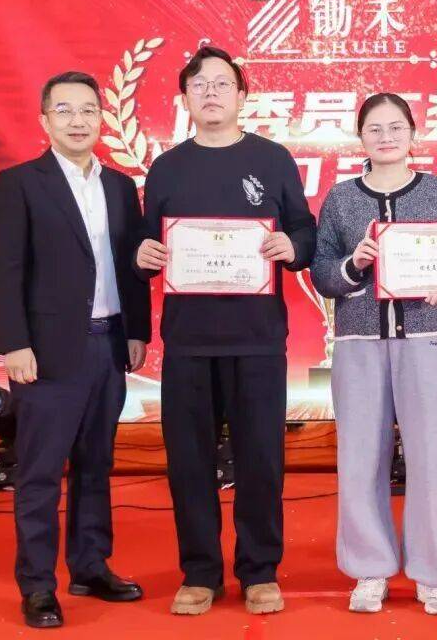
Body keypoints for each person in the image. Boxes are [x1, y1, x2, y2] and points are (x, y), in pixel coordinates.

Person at [135, 46, 316, 616]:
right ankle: (200, 573)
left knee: (261, 459)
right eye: (199, 85)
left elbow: (305, 231)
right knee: (189, 462)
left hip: (257, 338)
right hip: (188, 340)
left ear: (241, 96)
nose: (210, 93)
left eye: (221, 84)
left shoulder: (272, 159)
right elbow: (145, 244)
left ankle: (259, 570)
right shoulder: (166, 168)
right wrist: (142, 254)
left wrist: (292, 247)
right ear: (185, 98)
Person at [0, 71, 150, 629]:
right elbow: (5, 270)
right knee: (39, 472)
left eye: (88, 110)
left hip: (109, 344)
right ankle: (37, 586)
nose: (78, 121)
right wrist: (14, 343)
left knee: (96, 464)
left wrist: (136, 330)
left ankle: (90, 565)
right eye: (65, 110)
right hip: (48, 351)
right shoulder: (19, 183)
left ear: (103, 117)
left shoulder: (121, 187)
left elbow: (131, 264)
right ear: (44, 120)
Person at [310, 93, 437, 616]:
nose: (386, 137)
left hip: (427, 339)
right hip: (359, 343)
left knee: (431, 457)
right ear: (360, 137)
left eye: (396, 127)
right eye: (374, 129)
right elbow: (322, 272)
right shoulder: (340, 199)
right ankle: (369, 568)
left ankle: (433, 573)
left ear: (413, 133)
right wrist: (353, 264)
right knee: (359, 458)